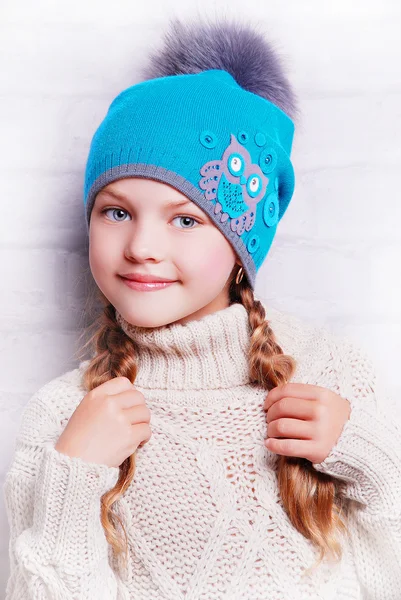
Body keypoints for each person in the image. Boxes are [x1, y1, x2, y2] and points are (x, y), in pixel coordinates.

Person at [3, 16, 401, 600]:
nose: (141, 247)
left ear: (242, 248)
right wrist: (72, 479)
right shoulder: (62, 417)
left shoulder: (331, 378)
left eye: (186, 220)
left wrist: (371, 460)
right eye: (116, 211)